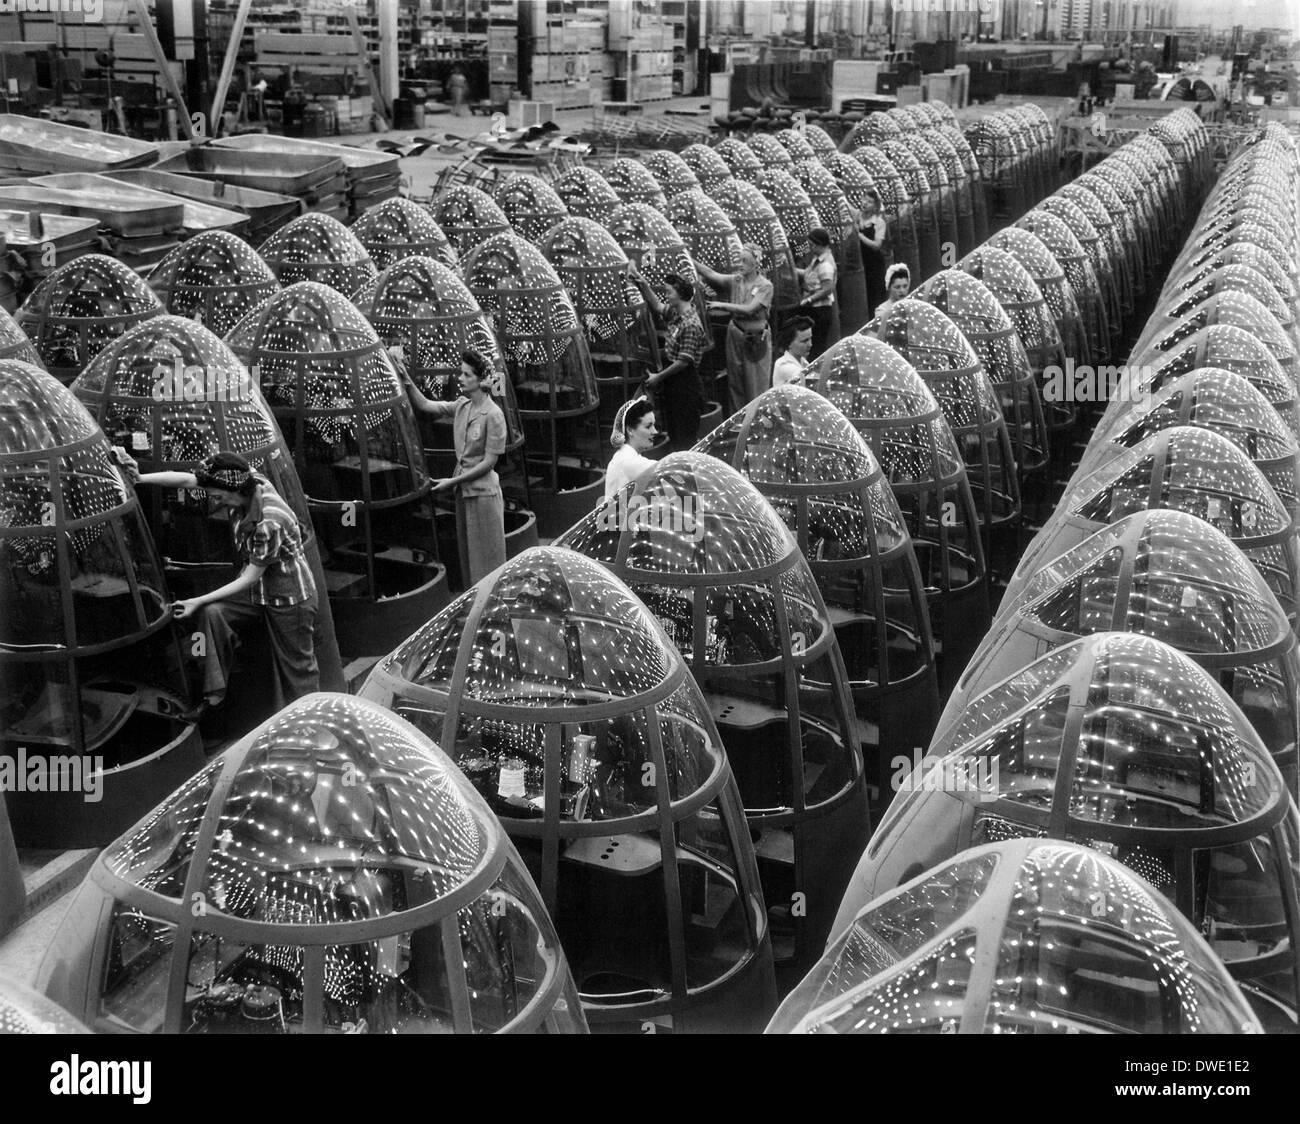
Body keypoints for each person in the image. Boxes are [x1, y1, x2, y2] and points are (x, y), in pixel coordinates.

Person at [124, 451, 320, 711]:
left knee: (298, 669)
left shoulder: (269, 521)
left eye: (217, 495)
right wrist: (140, 477)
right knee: (213, 613)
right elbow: (185, 481)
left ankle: (311, 720)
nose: (212, 499)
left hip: (289, 597)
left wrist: (195, 600)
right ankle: (214, 695)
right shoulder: (247, 480)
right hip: (258, 591)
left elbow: (250, 577)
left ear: (234, 490)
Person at [399, 348, 508, 587]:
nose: (460, 378)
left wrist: (452, 482)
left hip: (483, 497)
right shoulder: (462, 406)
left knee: (488, 563)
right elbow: (425, 405)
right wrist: (405, 377)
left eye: (466, 374)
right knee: (469, 560)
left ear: (480, 381)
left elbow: (489, 463)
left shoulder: (494, 415)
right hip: (464, 494)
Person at [629, 268, 709, 452]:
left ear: (680, 295)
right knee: (675, 433)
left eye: (669, 292)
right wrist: (643, 284)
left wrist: (658, 377)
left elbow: (684, 362)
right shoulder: (677, 314)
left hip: (686, 387)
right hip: (675, 386)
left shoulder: (690, 324)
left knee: (684, 438)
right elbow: (657, 306)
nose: (666, 295)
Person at [698, 243, 774, 412]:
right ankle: (737, 425)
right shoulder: (736, 280)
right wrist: (689, 258)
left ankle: (756, 422)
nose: (740, 264)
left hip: (755, 338)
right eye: (739, 260)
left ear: (756, 263)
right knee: (736, 383)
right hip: (735, 333)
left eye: (745, 261)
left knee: (756, 385)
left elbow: (750, 309)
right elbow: (711, 274)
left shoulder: (766, 286)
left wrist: (722, 305)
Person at [795, 227, 840, 359]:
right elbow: (811, 275)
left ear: (820, 244)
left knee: (817, 347)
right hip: (815, 310)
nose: (810, 248)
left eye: (812, 245)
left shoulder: (826, 264)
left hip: (820, 310)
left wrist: (809, 299)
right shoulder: (818, 259)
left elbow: (827, 288)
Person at [604, 396, 658, 500]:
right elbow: (668, 469)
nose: (655, 431)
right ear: (630, 430)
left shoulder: (625, 455)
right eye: (648, 426)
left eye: (654, 425)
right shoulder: (628, 461)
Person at [857, 190, 892, 317]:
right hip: (861, 263)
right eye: (864, 200)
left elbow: (877, 245)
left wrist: (860, 236)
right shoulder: (857, 217)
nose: (865, 203)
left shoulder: (879, 222)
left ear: (875, 206)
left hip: (874, 265)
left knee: (875, 296)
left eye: (870, 202)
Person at [771, 316, 815, 387]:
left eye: (810, 339)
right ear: (789, 343)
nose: (810, 344)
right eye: (804, 341)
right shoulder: (783, 365)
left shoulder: (803, 361)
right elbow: (810, 382)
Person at [871, 263, 912, 331]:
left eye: (905, 286)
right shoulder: (882, 311)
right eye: (897, 287)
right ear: (889, 288)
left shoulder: (912, 306)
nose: (902, 290)